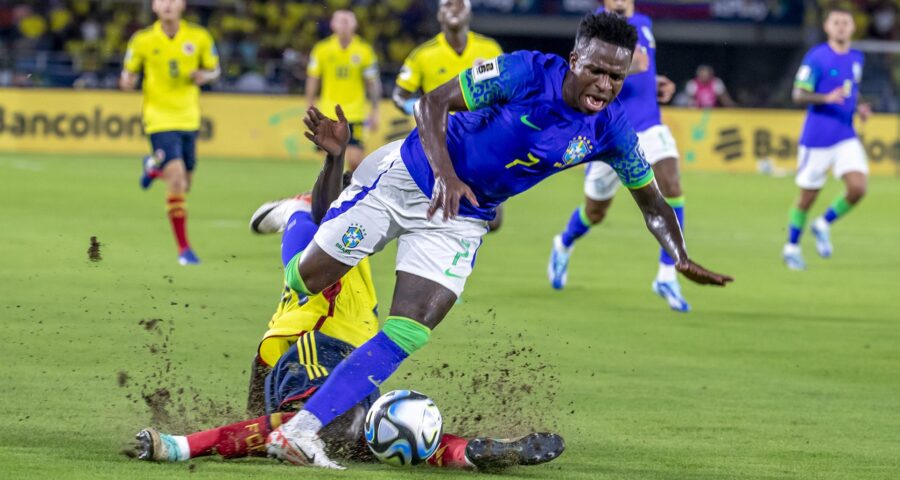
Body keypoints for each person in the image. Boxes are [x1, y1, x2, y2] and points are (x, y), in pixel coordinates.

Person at [262, 12, 732, 469]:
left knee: (411, 328)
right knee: (306, 282)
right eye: (596, 71)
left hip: (464, 217)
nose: (605, 86)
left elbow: (653, 203)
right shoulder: (524, 71)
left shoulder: (613, 129)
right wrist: (446, 175)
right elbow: (431, 104)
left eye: (616, 76)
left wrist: (680, 256)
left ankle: (300, 431)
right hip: (409, 176)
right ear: (574, 60)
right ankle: (298, 214)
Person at [133, 106, 564, 471]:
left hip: (340, 357)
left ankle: (468, 452)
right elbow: (331, 214)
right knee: (339, 421)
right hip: (315, 343)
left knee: (366, 437)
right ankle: (294, 213)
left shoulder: (382, 219)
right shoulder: (355, 233)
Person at [548, 0, 693, 312]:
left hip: (649, 123)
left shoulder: (644, 22)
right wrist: (638, 66)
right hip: (609, 128)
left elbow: (642, 66)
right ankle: (564, 242)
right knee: (595, 212)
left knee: (671, 185)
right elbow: (625, 64)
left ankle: (666, 274)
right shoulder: (597, 26)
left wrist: (654, 82)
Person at [120, 0, 220, 265]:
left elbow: (215, 69)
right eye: (161, 1)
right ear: (154, 7)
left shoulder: (198, 36)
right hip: (158, 118)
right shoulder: (141, 40)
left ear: (182, 6)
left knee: (185, 184)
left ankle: (152, 167)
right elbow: (126, 75)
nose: (167, 5)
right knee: (176, 180)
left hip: (189, 118)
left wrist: (204, 76)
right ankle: (184, 249)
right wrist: (127, 81)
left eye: (173, 0)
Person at [392, 0, 504, 231]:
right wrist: (417, 107)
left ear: (469, 12)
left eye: (459, 4)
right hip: (440, 141)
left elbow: (507, 91)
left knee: (494, 221)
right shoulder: (423, 55)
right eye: (447, 5)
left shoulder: (489, 49)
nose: (454, 9)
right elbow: (399, 95)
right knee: (437, 214)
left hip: (481, 140)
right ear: (439, 15)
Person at [782, 8, 870, 270]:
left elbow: (852, 88)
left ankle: (823, 224)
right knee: (808, 197)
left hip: (845, 134)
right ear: (827, 27)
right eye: (836, 23)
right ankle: (792, 246)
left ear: (853, 28)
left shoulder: (857, 57)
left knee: (858, 188)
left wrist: (861, 106)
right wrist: (825, 98)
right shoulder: (817, 57)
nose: (841, 27)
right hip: (817, 138)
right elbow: (798, 94)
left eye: (846, 22)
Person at [306, 10, 381, 171]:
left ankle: (353, 192)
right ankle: (331, 194)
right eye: (341, 20)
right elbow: (313, 78)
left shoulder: (364, 50)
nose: (345, 23)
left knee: (355, 161)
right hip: (328, 112)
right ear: (333, 25)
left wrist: (375, 110)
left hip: (355, 114)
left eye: (348, 20)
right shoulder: (322, 49)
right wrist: (310, 105)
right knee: (330, 160)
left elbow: (372, 83)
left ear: (355, 25)